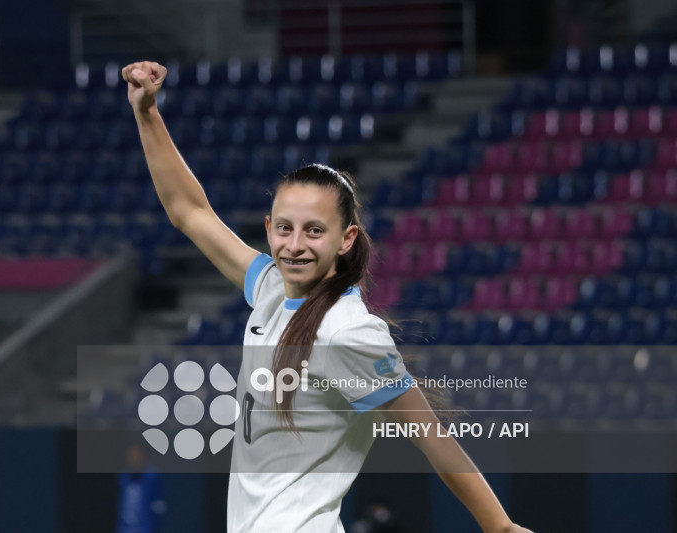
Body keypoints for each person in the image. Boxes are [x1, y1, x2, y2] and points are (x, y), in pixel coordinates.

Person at [121, 60, 533, 533]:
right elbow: (189, 211)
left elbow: (431, 436)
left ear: (346, 238)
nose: (295, 244)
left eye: (314, 231)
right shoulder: (271, 287)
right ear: (269, 229)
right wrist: (147, 112)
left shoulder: (349, 330)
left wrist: (499, 526)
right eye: (285, 228)